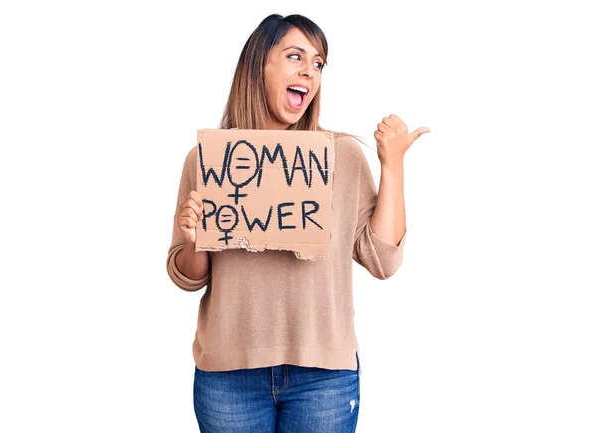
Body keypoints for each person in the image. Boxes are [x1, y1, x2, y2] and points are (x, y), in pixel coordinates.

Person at [166, 13, 430, 433]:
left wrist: (392, 165)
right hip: (228, 376)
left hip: (322, 377)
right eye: (295, 56)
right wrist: (196, 241)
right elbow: (187, 277)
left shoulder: (340, 156)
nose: (309, 70)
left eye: (319, 63)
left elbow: (383, 261)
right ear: (258, 66)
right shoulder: (208, 162)